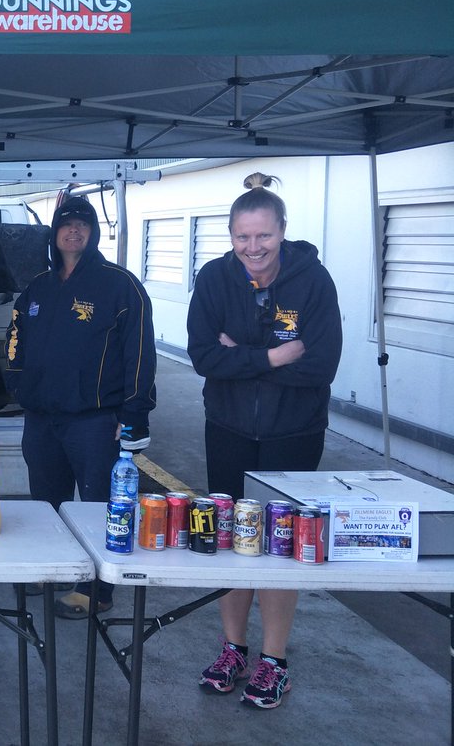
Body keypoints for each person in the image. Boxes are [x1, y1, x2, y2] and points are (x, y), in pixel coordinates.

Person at [189, 172, 342, 710]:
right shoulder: (213, 279)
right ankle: (233, 650)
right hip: (227, 428)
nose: (253, 248)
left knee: (281, 545)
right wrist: (275, 355)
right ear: (230, 236)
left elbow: (321, 365)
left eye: (264, 237)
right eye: (242, 237)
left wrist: (242, 360)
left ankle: (273, 661)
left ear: (282, 232)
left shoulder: (313, 282)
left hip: (293, 434)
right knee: (230, 538)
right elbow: (204, 357)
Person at [5, 195, 156, 619]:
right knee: (45, 503)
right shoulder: (39, 286)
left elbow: (140, 353)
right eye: (66, 223)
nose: (74, 231)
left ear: (92, 233)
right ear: (54, 233)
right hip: (41, 419)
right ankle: (49, 569)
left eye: (83, 224)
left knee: (95, 506)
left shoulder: (118, 285)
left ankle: (96, 591)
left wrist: (134, 412)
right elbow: (15, 337)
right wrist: (17, 383)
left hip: (95, 421)